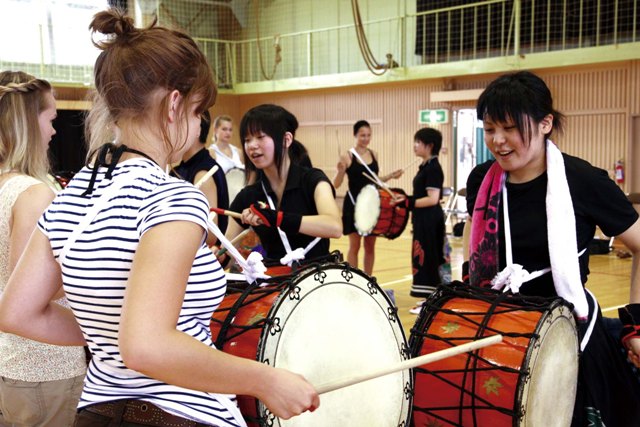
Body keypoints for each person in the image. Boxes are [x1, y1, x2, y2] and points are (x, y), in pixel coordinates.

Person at [0, 9, 318, 427]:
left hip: (95, 412)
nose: (195, 125)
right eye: (196, 112)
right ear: (174, 105)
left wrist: (108, 336)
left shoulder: (70, 196)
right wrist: (265, 380)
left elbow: (17, 312)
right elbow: (146, 346)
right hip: (183, 413)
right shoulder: (174, 199)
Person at [464, 70, 640, 426]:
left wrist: (638, 327)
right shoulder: (482, 180)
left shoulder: (583, 181)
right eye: (489, 129)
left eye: (510, 128)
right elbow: (478, 256)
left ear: (545, 123)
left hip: (568, 336)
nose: (498, 141)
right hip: (497, 335)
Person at [0, 71, 86, 426]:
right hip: (43, 366)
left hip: (14, 363)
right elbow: (35, 293)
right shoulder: (34, 194)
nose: (53, 132)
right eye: (50, 120)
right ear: (26, 122)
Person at [227, 104, 342, 266]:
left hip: (319, 280)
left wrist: (277, 218)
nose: (252, 145)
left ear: (286, 140)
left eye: (260, 137)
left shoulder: (313, 180)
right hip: (276, 284)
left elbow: (334, 227)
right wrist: (219, 255)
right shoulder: (249, 195)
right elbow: (227, 249)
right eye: (247, 140)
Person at [333, 120, 403, 275]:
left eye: (368, 135)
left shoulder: (374, 154)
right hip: (354, 204)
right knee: (355, 246)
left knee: (370, 246)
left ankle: (368, 279)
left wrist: (392, 175)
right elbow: (336, 184)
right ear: (355, 135)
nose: (366, 138)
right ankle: (354, 279)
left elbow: (375, 180)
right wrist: (340, 171)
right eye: (362, 135)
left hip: (371, 206)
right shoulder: (348, 156)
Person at [398, 128, 448, 307]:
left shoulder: (433, 168)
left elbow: (433, 199)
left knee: (430, 258)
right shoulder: (426, 166)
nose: (415, 145)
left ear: (430, 146)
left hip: (430, 220)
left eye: (418, 142)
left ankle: (433, 300)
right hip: (423, 219)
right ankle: (429, 299)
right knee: (424, 258)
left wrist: (408, 202)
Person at [172, 110, 230, 237]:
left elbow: (210, 235)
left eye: (177, 125)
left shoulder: (204, 172)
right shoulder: (180, 168)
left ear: (196, 129)